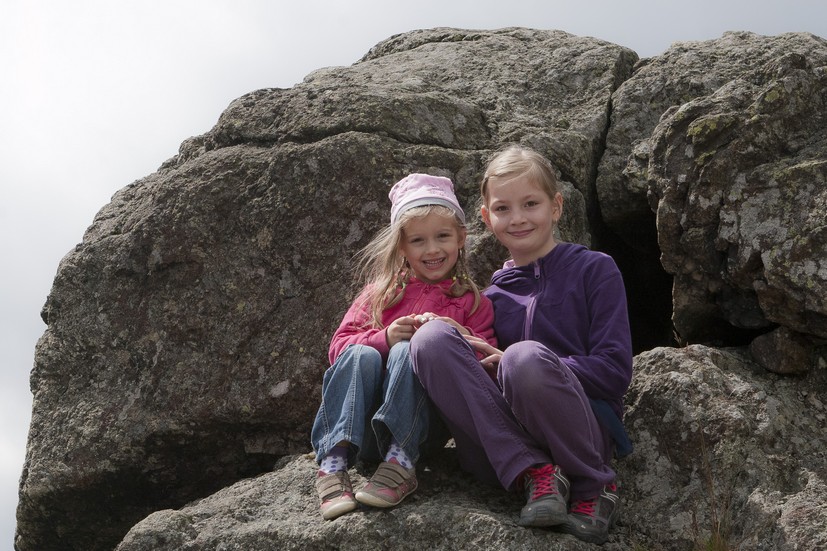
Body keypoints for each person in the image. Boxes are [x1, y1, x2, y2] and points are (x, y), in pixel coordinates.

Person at [410, 145, 633, 545]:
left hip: (580, 433)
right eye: (503, 208)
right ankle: (536, 474)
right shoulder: (489, 297)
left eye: (531, 203)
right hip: (508, 447)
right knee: (431, 339)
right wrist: (473, 353)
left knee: (522, 357)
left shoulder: (595, 270)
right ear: (486, 218)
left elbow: (614, 371)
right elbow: (478, 385)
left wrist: (524, 364)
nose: (517, 218)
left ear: (556, 206)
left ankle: (592, 486)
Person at [311, 173, 497, 520]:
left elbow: (486, 371)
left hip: (420, 431)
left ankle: (401, 460)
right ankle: (333, 461)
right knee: (362, 352)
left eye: (443, 236)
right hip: (364, 433)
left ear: (461, 237)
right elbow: (338, 348)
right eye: (418, 240)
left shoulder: (472, 303)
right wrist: (383, 338)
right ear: (402, 246)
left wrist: (453, 336)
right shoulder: (380, 293)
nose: (432, 249)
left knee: (408, 350)